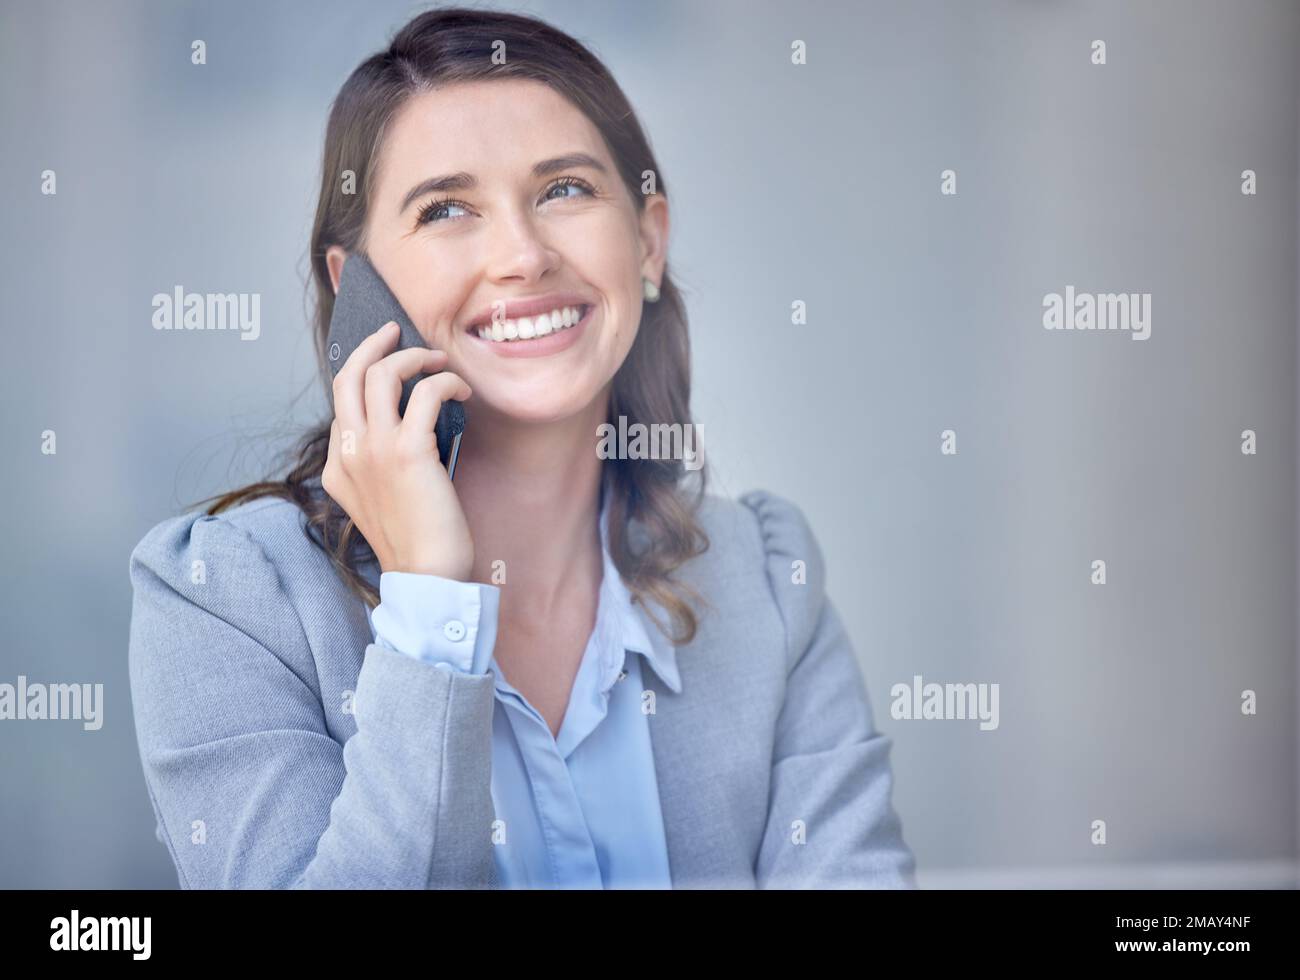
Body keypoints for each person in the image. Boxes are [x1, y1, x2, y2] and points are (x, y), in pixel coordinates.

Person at [127, 6, 916, 889]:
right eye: (447, 208)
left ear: (648, 243)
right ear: (356, 287)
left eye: (566, 190)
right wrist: (429, 605)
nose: (522, 255)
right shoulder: (225, 599)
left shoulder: (767, 578)